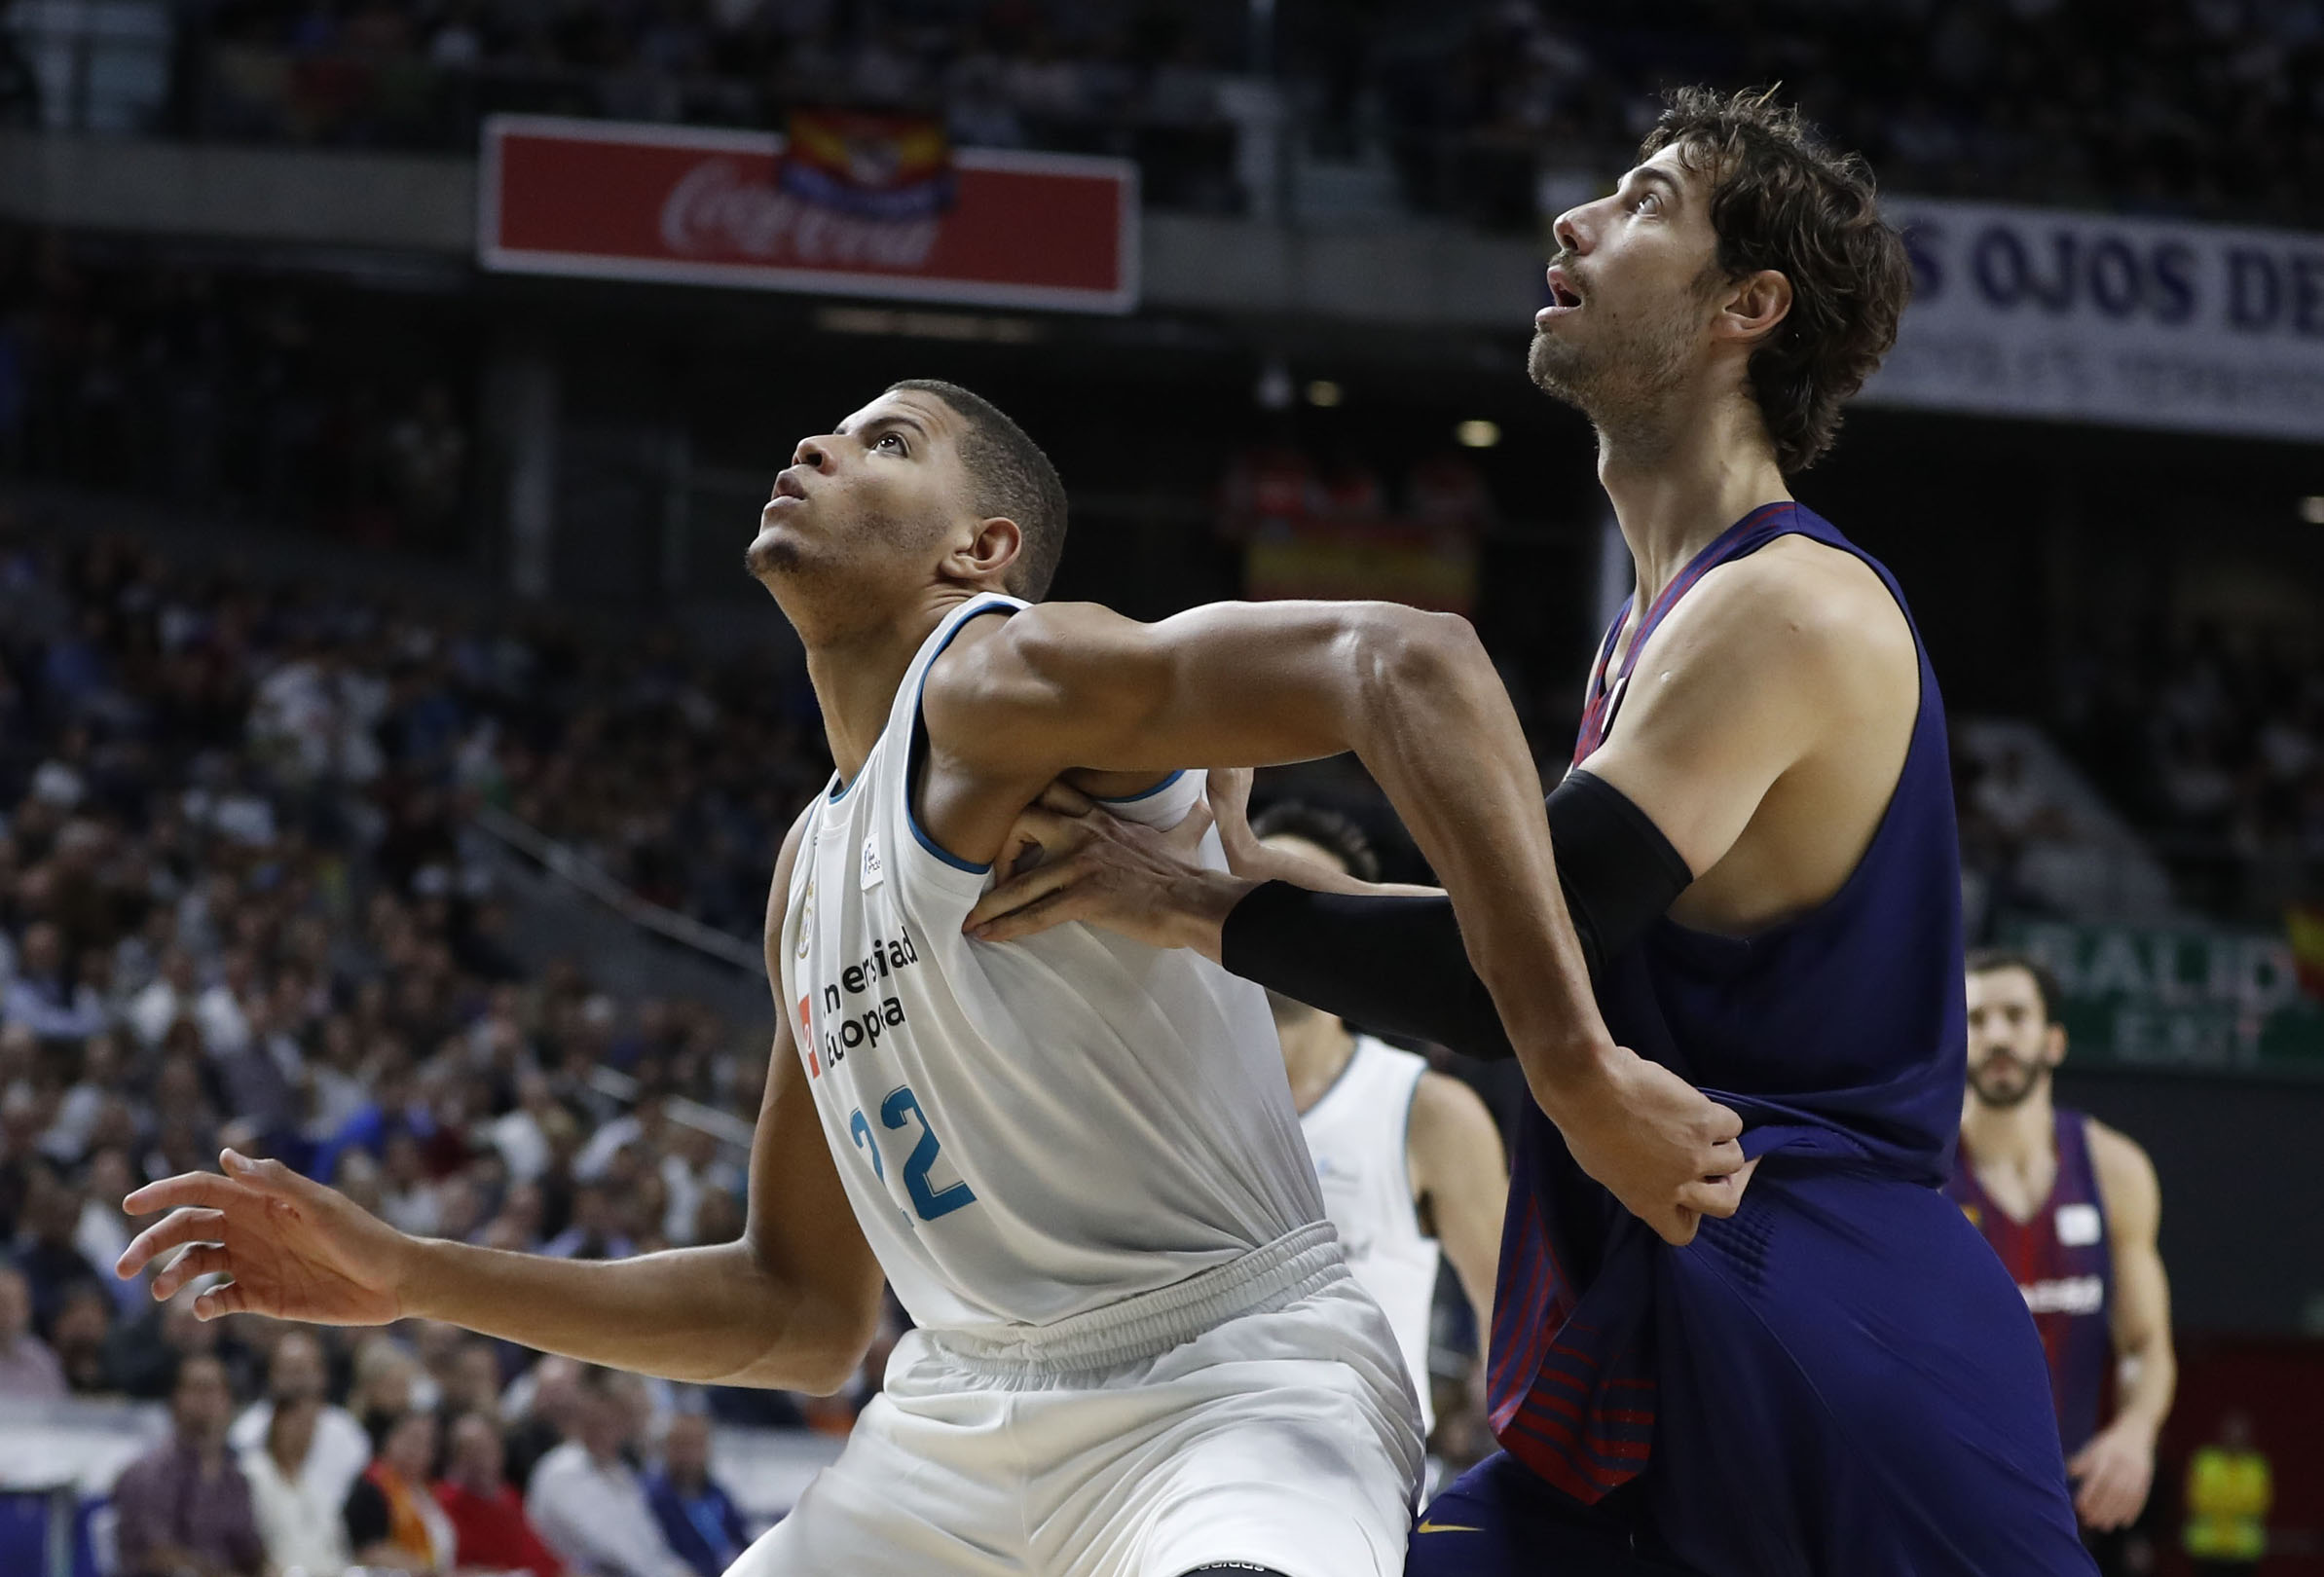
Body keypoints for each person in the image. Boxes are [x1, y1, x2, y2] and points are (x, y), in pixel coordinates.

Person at [115, 373, 1748, 1577]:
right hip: (952, 1422)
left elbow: (1414, 661)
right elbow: (800, 1313)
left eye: (887, 440)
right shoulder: (808, 865)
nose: (818, 442)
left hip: (1223, 1380)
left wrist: (1570, 1063)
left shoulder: (993, 679)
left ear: (982, 550)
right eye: (833, 426)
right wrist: (409, 1274)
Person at [965, 88, 2094, 1575]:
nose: (1573, 219)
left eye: (1641, 203)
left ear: (1745, 306)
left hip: (1829, 1335)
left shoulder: (1787, 609)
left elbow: (1503, 969)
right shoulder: (1660, 622)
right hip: (1675, 1317)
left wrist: (1181, 897)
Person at [1245, 800, 1507, 1443]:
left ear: (1350, 933)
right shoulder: (1161, 1092)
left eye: (1301, 901)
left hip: (1358, 1481)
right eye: (1258, 897)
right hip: (1179, 1471)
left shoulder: (1425, 1110)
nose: (1280, 924)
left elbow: (1514, 1327)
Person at [1946, 949, 2176, 1564]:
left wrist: (2135, 1433)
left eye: (2015, 1016)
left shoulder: (2114, 1169)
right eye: (1977, 1018)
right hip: (1939, 1503)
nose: (1996, 1034)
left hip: (2066, 1510)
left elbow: (2145, 1345)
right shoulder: (1920, 1175)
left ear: (2053, 1040)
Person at [110, 1354, 269, 1577]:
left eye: (217, 1389)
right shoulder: (148, 1473)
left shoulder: (235, 1478)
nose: (208, 1399)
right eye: (198, 1389)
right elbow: (155, 1554)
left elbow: (251, 1553)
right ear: (175, 1400)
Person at [525, 1367, 690, 1577]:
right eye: (601, 1418)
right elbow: (617, 1551)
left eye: (617, 1419)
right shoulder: (561, 1472)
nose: (610, 1427)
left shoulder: (621, 1472)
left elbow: (651, 1546)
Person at [227, 1328, 372, 1517]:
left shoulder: (347, 1431)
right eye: (287, 1371)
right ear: (272, 1375)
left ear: (322, 1375)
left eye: (303, 1370)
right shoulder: (249, 1430)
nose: (296, 1380)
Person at [242, 1372, 355, 1577]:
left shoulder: (315, 1486)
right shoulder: (252, 1473)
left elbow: (339, 1548)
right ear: (277, 1422)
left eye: (311, 1426)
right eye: (298, 1423)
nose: (305, 1433)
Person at [435, 1409, 564, 1577]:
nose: (479, 1459)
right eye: (468, 1451)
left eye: (484, 1448)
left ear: (499, 1450)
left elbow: (542, 1557)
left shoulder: (511, 1497)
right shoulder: (443, 1502)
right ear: (455, 1459)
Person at [344, 1406, 457, 1573]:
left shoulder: (431, 1494)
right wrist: (429, 1572)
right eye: (410, 1439)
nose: (414, 1450)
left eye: (424, 1444)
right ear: (390, 1439)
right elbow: (368, 1550)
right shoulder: (371, 1487)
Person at [645, 1410, 749, 1577]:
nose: (689, 1454)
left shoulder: (717, 1493)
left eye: (696, 1445)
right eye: (682, 1444)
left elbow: (742, 1538)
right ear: (666, 1448)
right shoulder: (654, 1498)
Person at [2183, 1410, 2269, 1576]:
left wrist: (2220, 1500)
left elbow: (2260, 1503)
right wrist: (2235, 1502)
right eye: (2230, 1433)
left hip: (2243, 1550)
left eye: (2239, 1434)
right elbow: (2194, 1499)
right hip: (2207, 1548)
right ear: (2221, 1434)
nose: (2234, 1438)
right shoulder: (2205, 1461)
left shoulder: (2256, 1466)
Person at [0, 1262, 65, 1397]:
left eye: (14, 1304)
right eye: (2, 1302)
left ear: (26, 1310)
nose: (6, 1312)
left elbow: (59, 1412)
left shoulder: (41, 1359)